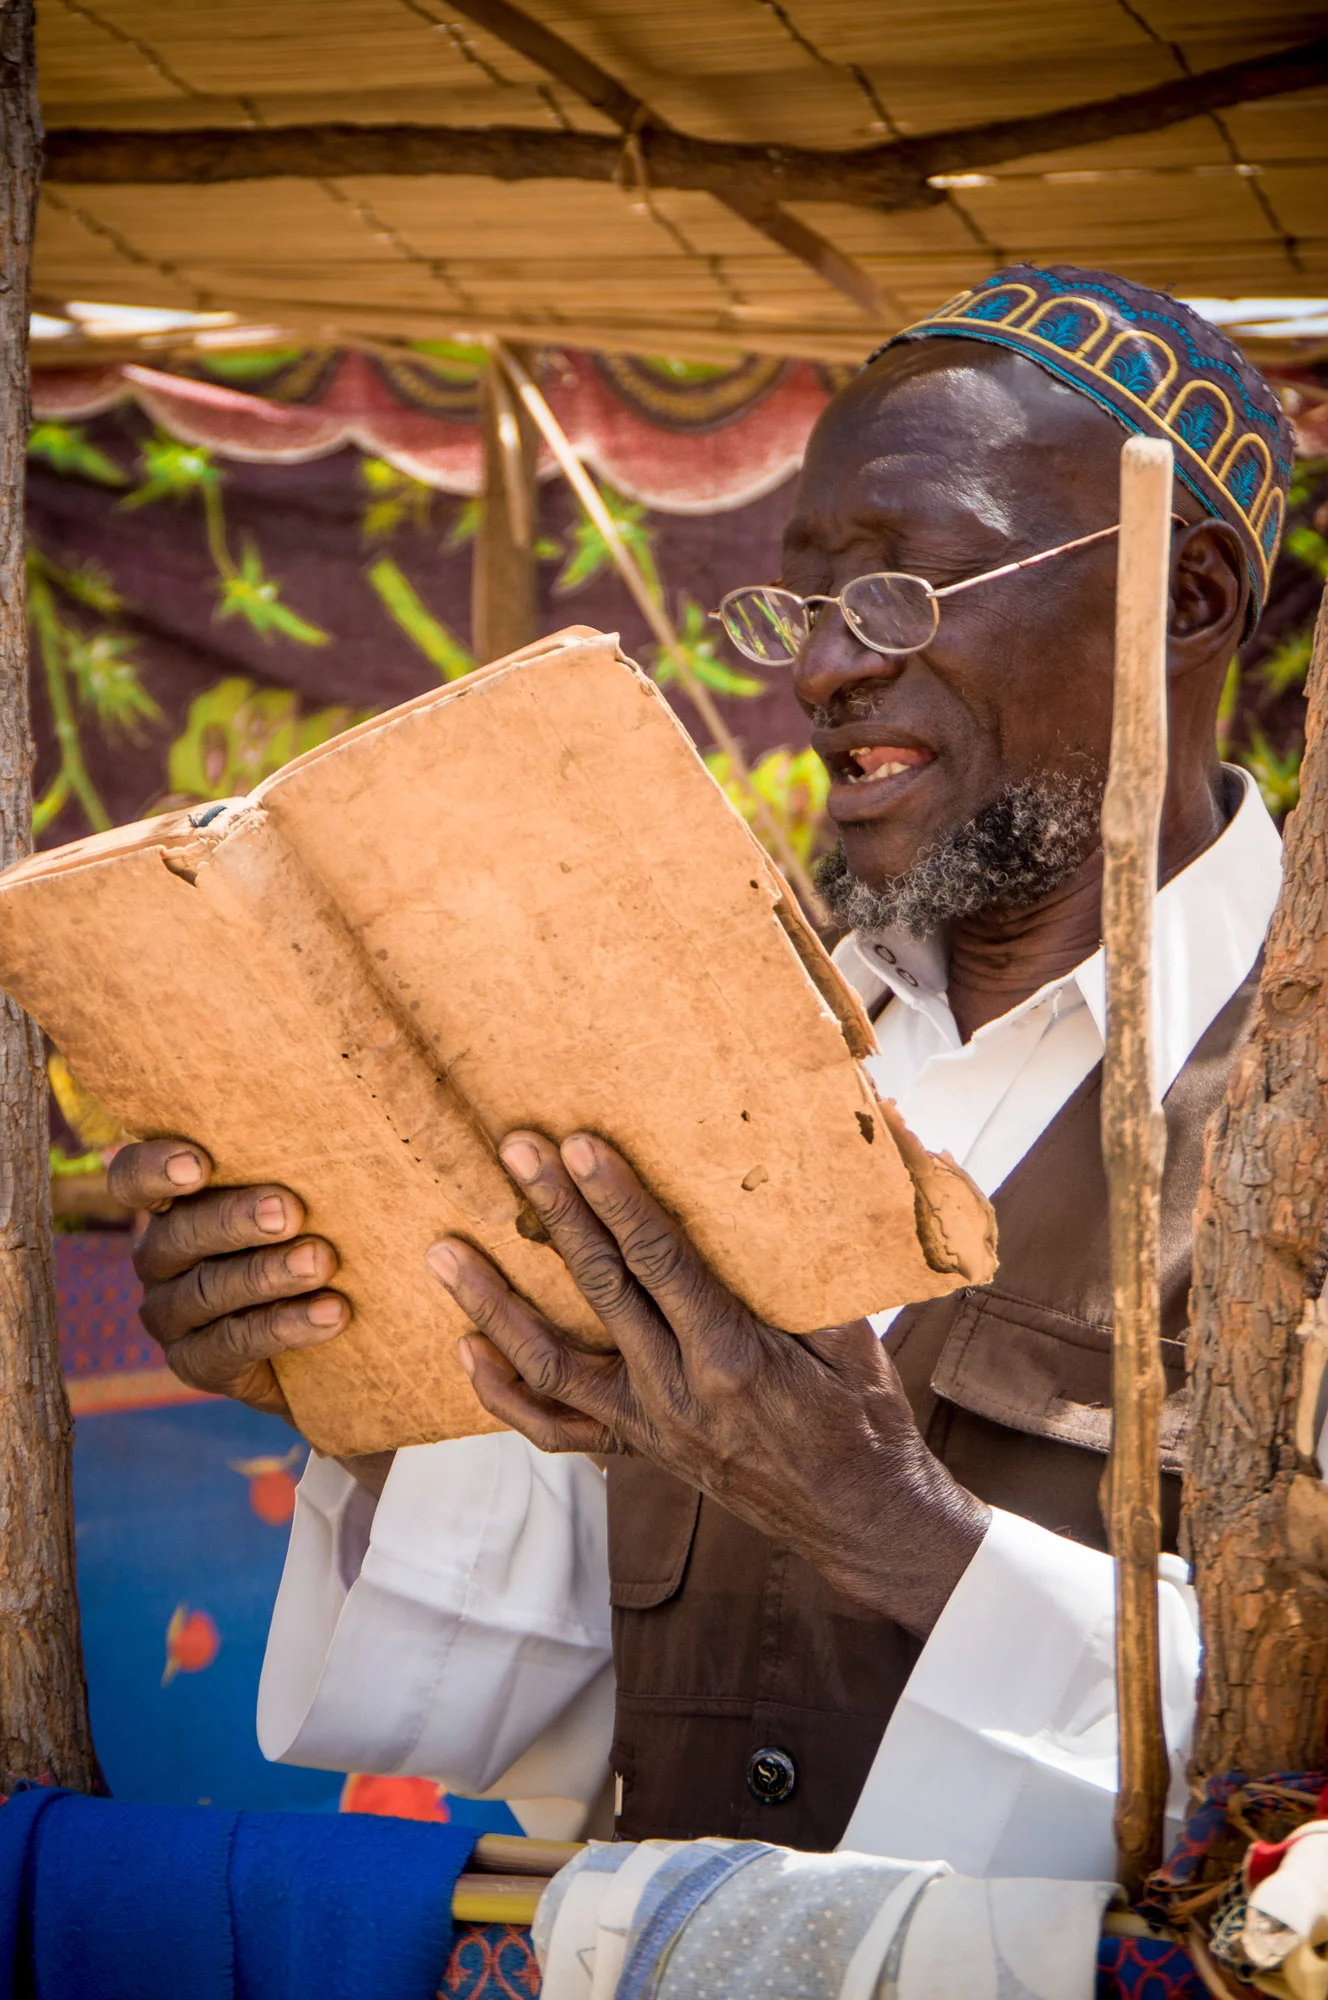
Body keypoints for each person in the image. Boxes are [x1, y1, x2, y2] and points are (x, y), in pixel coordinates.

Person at [108, 266, 1293, 1876]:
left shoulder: (1294, 1101)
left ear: (1187, 596)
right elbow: (593, 1686)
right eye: (807, 604)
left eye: (907, 587)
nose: (821, 671)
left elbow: (1287, 1790)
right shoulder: (744, 1046)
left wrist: (888, 1526)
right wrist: (346, 1376)